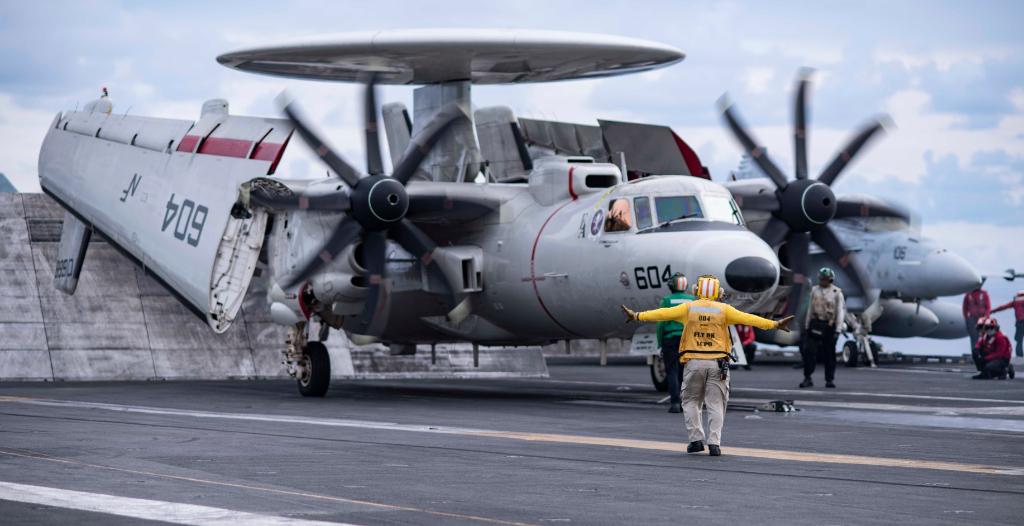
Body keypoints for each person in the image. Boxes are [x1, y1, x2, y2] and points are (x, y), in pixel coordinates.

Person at [622, 275, 793, 457]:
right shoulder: (724, 310)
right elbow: (749, 319)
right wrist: (775, 324)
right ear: (718, 293)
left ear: (696, 291)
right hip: (718, 364)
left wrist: (637, 315)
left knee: (690, 401)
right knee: (716, 404)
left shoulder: (689, 308)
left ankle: (696, 440)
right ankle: (714, 444)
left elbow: (662, 314)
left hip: (694, 362)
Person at [656, 273, 696, 413]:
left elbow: (661, 324)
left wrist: (659, 343)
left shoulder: (666, 301)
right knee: (685, 372)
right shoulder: (692, 300)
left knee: (672, 371)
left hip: (670, 340)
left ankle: (675, 403)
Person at [800, 267, 845, 389]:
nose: (823, 281)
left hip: (829, 326)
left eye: (825, 279)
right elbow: (810, 308)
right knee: (809, 352)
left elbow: (840, 312)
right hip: (815, 323)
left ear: (830, 279)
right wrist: (806, 326)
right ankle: (807, 378)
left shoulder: (837, 293)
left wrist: (838, 330)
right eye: (821, 279)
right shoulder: (814, 290)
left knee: (829, 355)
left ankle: (829, 380)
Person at [991, 290, 1024, 359]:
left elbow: (1003, 307)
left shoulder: (1015, 302)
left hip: (1020, 323)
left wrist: (992, 311)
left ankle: (1020, 356)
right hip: (1020, 322)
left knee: (1019, 340)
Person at [963, 279, 991, 357]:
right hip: (972, 319)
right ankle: (975, 355)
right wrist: (967, 319)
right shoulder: (968, 295)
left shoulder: (984, 294)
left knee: (983, 337)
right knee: (974, 337)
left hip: (982, 319)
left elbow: (988, 307)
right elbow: (965, 308)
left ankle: (983, 354)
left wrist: (986, 317)